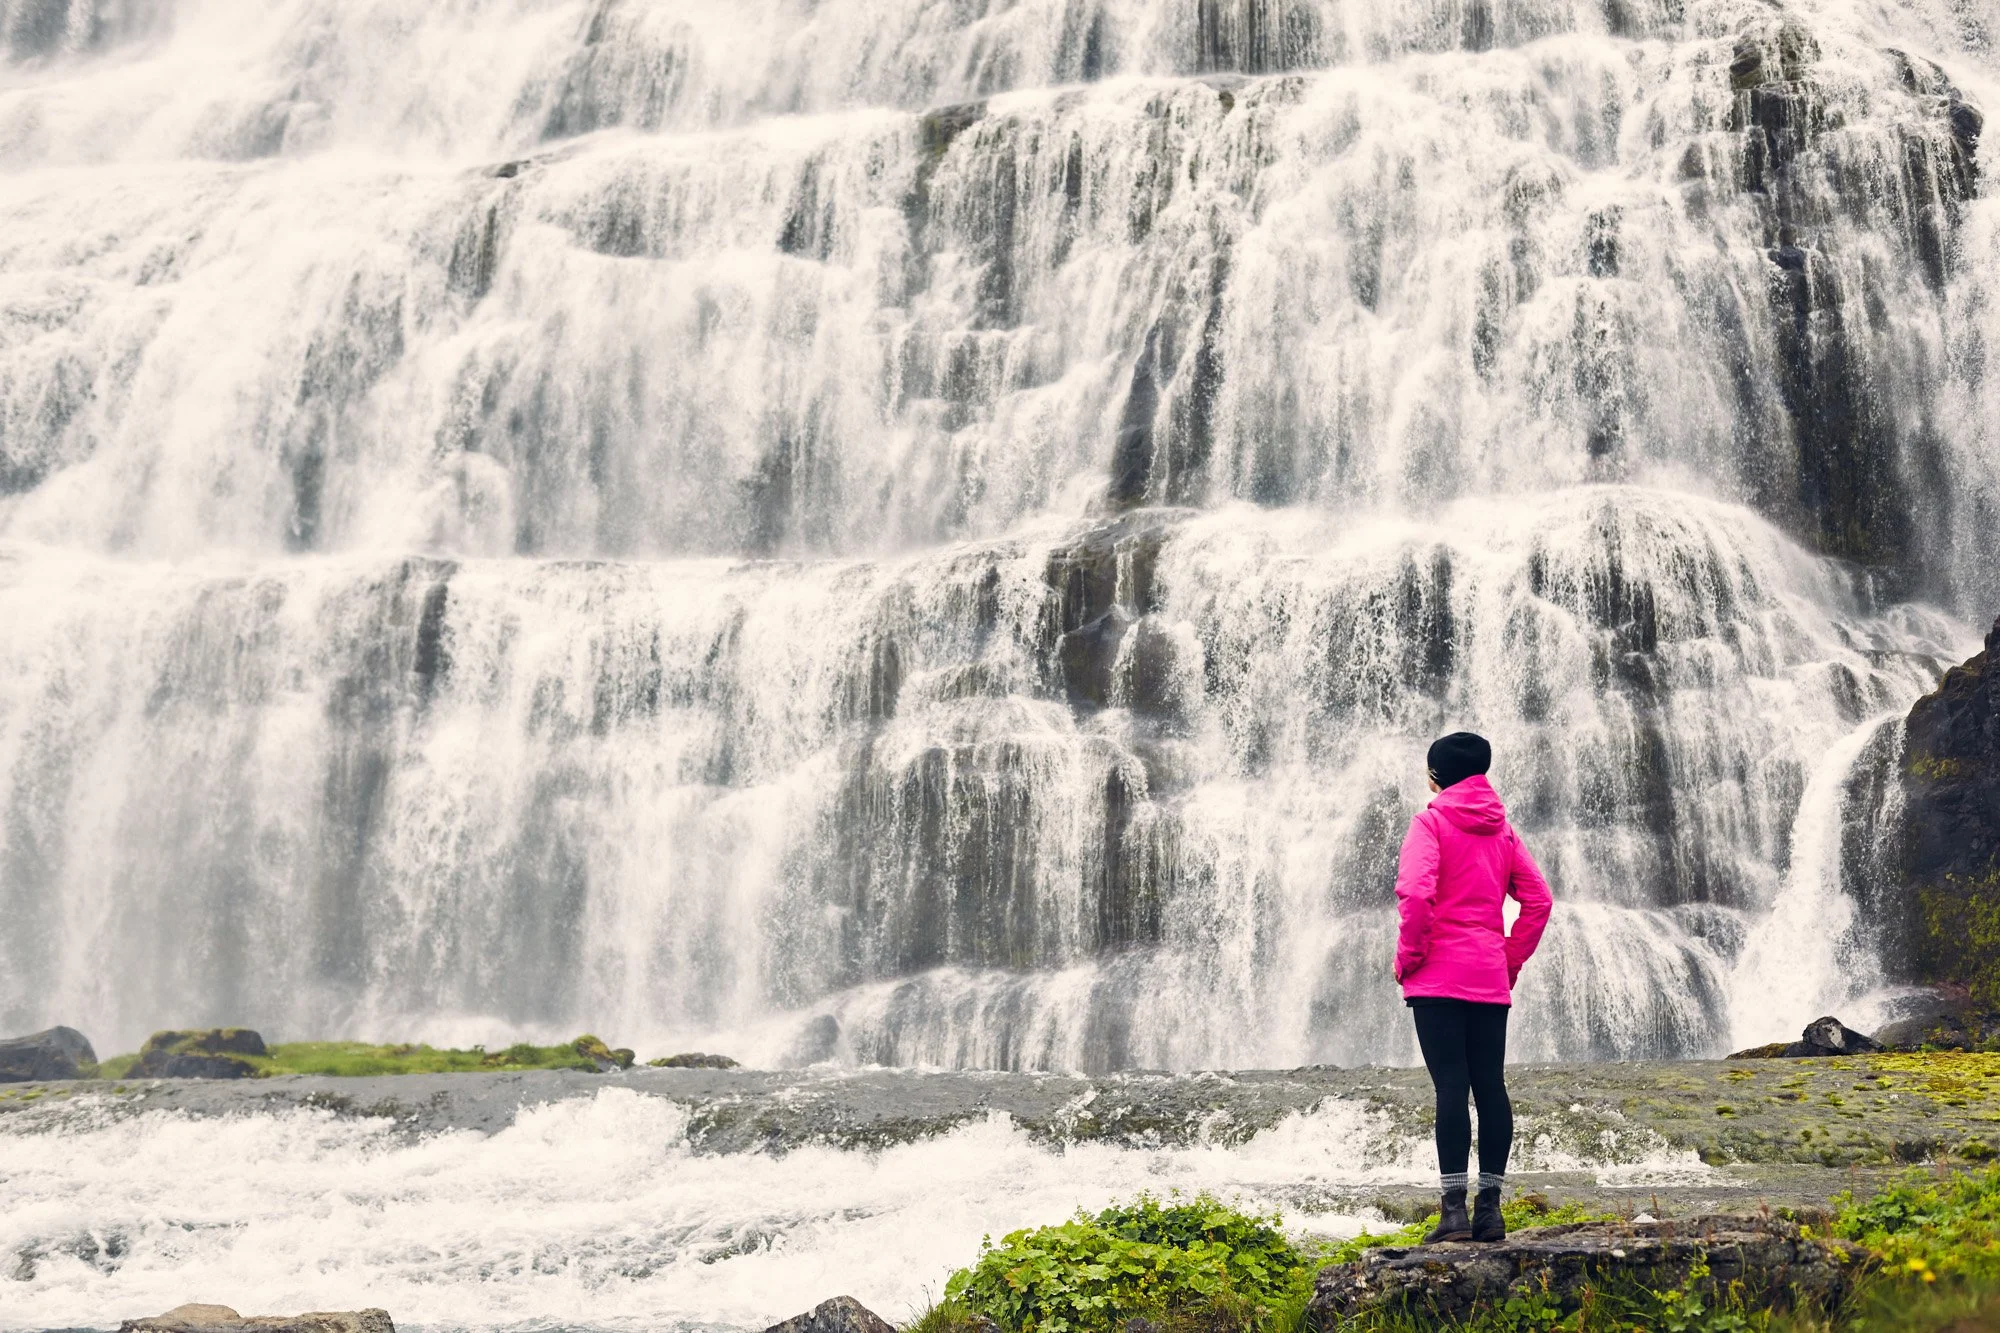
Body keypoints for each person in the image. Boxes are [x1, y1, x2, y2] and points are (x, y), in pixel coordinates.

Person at [1393, 731, 1552, 1244]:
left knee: (1450, 1090)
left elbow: (1417, 895)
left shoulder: (1431, 822)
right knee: (1490, 1088)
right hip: (1486, 974)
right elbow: (1539, 901)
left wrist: (1410, 956)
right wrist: (1507, 957)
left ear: (1436, 775)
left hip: (1438, 976)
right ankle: (1491, 1211)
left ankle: (1453, 1214)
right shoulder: (1502, 831)